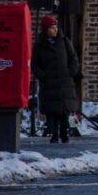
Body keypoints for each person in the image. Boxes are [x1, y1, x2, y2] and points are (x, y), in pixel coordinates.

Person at [32, 15, 79, 144]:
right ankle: (54, 134)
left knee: (65, 110)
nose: (55, 30)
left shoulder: (64, 41)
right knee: (52, 111)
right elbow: (35, 65)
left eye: (56, 27)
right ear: (46, 29)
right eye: (52, 28)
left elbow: (73, 58)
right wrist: (43, 76)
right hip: (49, 82)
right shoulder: (39, 45)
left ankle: (65, 134)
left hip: (65, 81)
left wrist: (71, 72)